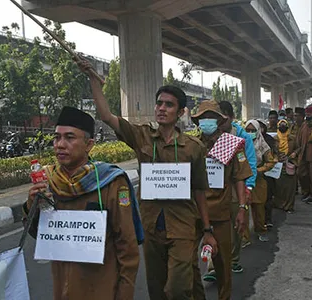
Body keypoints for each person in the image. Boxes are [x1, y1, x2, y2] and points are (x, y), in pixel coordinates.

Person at [78, 60, 217, 300]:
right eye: (159, 103)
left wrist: (207, 230)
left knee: (177, 289)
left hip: (183, 226)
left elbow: (200, 190)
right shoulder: (141, 136)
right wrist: (94, 81)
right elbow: (106, 116)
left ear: (181, 112)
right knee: (157, 289)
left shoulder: (193, 148)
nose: (162, 108)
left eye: (169, 105)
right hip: (151, 225)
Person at [22, 106, 143, 299]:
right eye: (56, 137)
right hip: (62, 287)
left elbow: (127, 247)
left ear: (89, 144)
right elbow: (41, 234)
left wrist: (125, 293)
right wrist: (32, 205)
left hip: (102, 289)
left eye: (70, 138)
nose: (60, 144)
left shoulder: (111, 181)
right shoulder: (50, 181)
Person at [191, 100, 252, 300]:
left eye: (211, 118)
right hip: (193, 213)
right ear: (197, 122)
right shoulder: (191, 146)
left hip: (220, 213)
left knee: (223, 265)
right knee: (188, 264)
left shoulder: (231, 144)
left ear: (219, 121)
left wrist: (242, 208)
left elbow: (239, 178)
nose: (206, 121)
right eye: (202, 118)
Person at [244, 120, 277, 242]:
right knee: (243, 209)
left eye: (253, 131)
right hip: (242, 181)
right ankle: (244, 237)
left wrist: (259, 170)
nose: (250, 133)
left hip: (258, 180)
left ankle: (260, 230)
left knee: (259, 209)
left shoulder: (263, 145)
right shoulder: (240, 143)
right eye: (247, 130)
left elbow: (271, 162)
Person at [291, 106, 312, 204]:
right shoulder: (304, 125)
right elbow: (299, 140)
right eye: (306, 113)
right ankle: (306, 192)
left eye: (309, 113)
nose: (307, 115)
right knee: (301, 174)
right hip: (303, 154)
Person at [274, 119, 298, 213]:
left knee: (290, 187)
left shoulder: (292, 138)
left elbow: (299, 148)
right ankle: (280, 204)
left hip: (290, 163)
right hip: (278, 165)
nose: (282, 126)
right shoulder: (275, 139)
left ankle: (289, 206)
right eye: (281, 125)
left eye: (284, 125)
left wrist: (295, 153)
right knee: (279, 187)